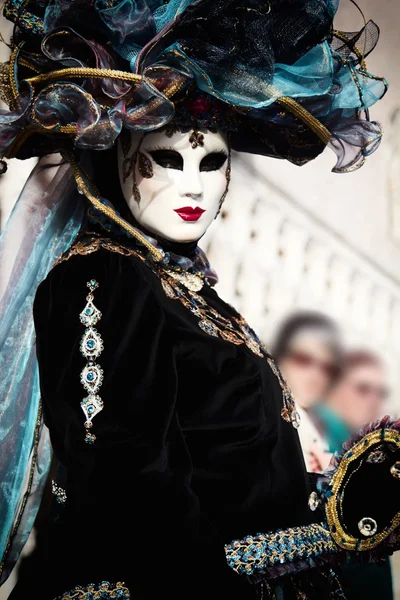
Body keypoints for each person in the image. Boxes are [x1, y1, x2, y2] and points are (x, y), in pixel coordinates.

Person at [0, 1, 395, 599]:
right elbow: (129, 491)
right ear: (114, 158)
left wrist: (330, 507)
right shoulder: (105, 277)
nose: (192, 185)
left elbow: (233, 472)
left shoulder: (191, 294)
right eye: (167, 159)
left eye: (211, 163)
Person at [315, 350, 394, 600]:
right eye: (363, 388)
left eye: (380, 392)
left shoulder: (374, 455)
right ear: (333, 389)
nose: (373, 400)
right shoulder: (314, 447)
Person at [273, 311, 343, 472]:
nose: (315, 376)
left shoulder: (325, 434)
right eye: (303, 360)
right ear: (279, 356)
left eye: (327, 369)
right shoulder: (260, 418)